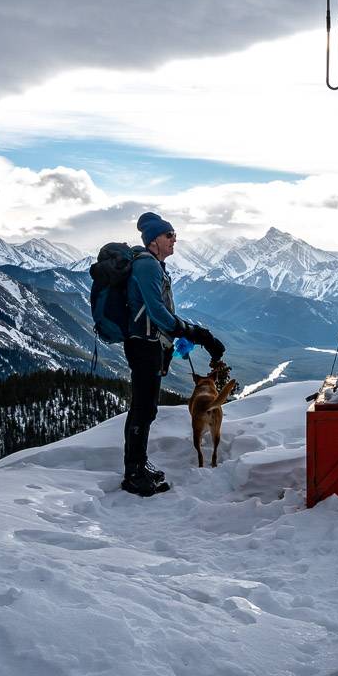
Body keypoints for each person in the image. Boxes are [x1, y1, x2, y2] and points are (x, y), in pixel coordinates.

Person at [122, 211, 226, 496]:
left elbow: (162, 315)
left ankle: (139, 464)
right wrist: (197, 334)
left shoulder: (156, 266)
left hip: (151, 345)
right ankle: (134, 473)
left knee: (147, 408)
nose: (174, 240)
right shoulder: (148, 266)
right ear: (154, 239)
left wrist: (170, 347)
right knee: (142, 409)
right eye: (169, 235)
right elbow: (159, 314)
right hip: (143, 345)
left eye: (175, 235)